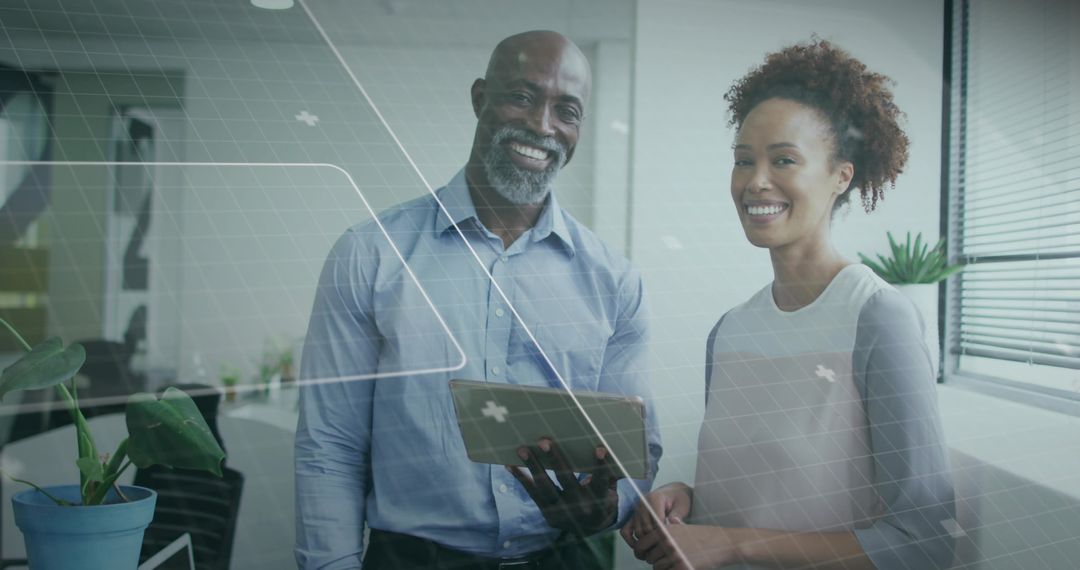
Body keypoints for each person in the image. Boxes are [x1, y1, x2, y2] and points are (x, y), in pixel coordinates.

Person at [295, 30, 662, 570]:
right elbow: (329, 445)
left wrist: (612, 506)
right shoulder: (370, 254)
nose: (542, 125)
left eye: (567, 110)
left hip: (562, 558)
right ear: (479, 98)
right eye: (522, 96)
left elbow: (637, 450)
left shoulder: (615, 281)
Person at [621, 39, 955, 570]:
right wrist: (691, 501)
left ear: (841, 176)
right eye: (742, 161)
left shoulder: (876, 319)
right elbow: (769, 496)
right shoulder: (729, 331)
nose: (755, 181)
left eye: (783, 159)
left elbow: (923, 543)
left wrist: (733, 542)